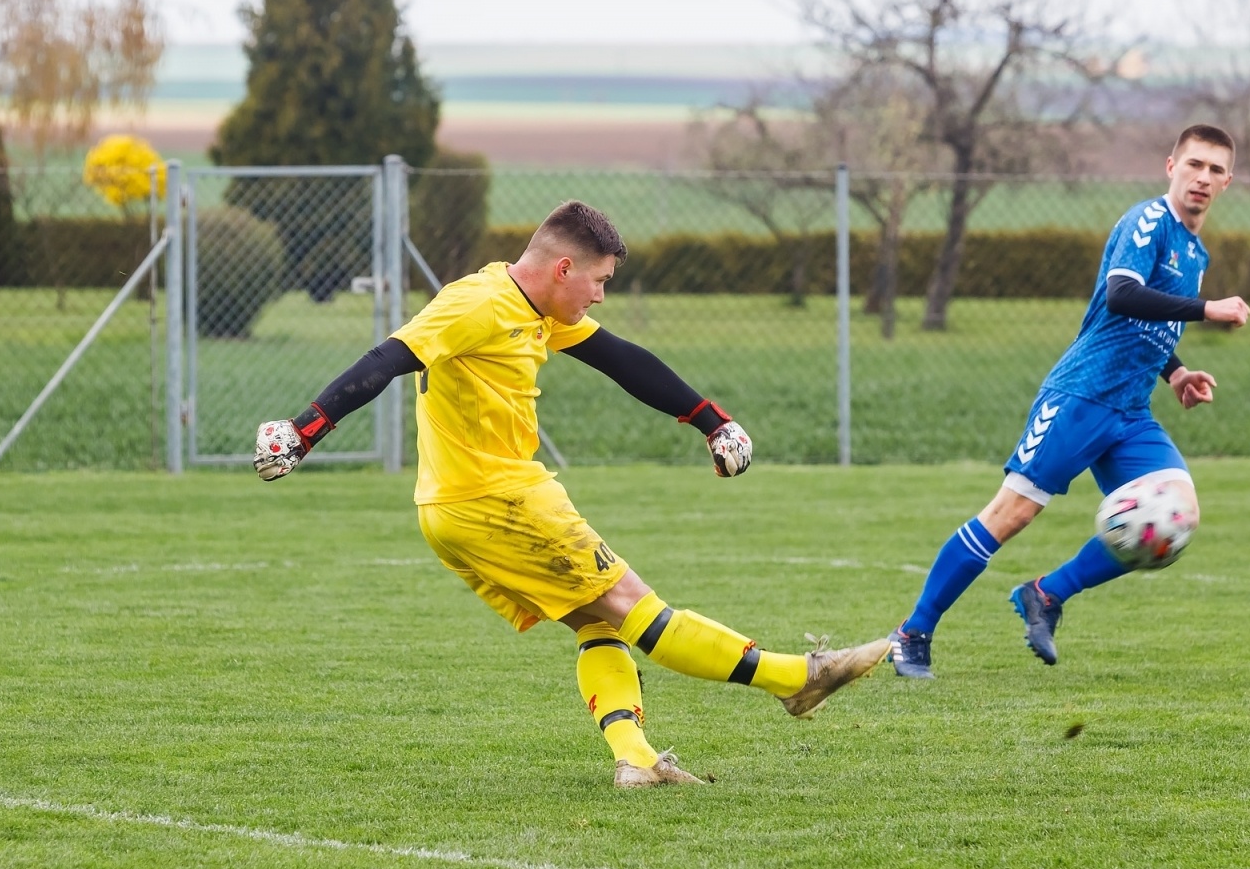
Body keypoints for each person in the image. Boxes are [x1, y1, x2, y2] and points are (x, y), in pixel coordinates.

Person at [254, 200, 892, 786]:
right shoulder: (476, 303)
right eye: (601, 280)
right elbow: (387, 358)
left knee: (596, 620)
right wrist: (304, 430)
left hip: (460, 507)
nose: (602, 296)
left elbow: (621, 360)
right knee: (630, 601)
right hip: (495, 500)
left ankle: (636, 760)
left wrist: (711, 419)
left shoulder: (537, 308)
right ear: (564, 268)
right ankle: (797, 678)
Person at [889, 125, 1250, 680]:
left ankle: (1047, 594)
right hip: (1081, 396)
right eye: (1194, 164)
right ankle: (912, 633)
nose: (1202, 178)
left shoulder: (1193, 249)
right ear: (1171, 165)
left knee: (1175, 515)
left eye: (1215, 170)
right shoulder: (1149, 221)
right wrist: (1207, 309)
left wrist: (1174, 371)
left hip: (1130, 413)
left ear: (1228, 181)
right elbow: (1122, 294)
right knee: (1011, 514)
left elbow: (1143, 326)